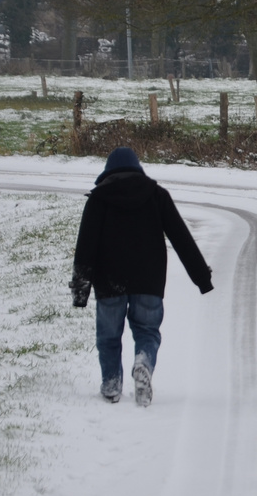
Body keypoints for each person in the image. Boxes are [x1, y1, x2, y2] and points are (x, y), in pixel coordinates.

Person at [71, 147, 213, 406]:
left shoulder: (99, 199)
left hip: (109, 282)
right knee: (147, 331)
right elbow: (182, 238)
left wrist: (81, 290)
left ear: (108, 171)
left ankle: (112, 384)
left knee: (108, 336)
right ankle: (144, 361)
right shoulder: (157, 196)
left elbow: (85, 247)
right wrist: (202, 278)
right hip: (149, 281)